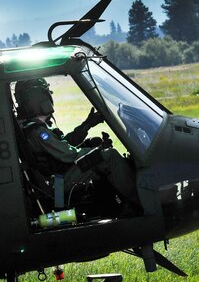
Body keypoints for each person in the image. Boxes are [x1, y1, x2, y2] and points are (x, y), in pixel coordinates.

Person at [14, 78, 140, 212]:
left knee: (95, 143)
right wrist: (99, 151)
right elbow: (68, 154)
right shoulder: (37, 132)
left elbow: (62, 145)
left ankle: (113, 203)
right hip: (57, 184)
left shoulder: (32, 127)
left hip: (56, 177)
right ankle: (141, 202)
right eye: (46, 93)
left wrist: (87, 125)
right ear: (38, 98)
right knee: (109, 156)